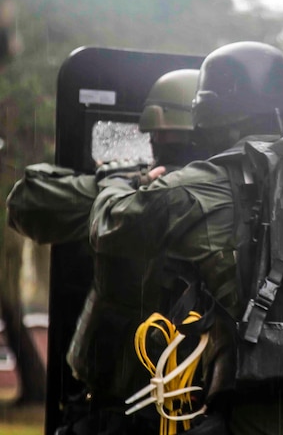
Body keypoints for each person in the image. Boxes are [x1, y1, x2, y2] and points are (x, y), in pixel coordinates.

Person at [89, 41, 283, 435]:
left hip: (264, 411)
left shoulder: (210, 184)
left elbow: (110, 225)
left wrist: (115, 179)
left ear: (209, 117)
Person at [6, 68, 203, 434]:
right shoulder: (240, 193)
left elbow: (24, 202)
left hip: (119, 407)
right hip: (200, 408)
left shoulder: (129, 193)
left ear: (156, 132)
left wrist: (118, 183)